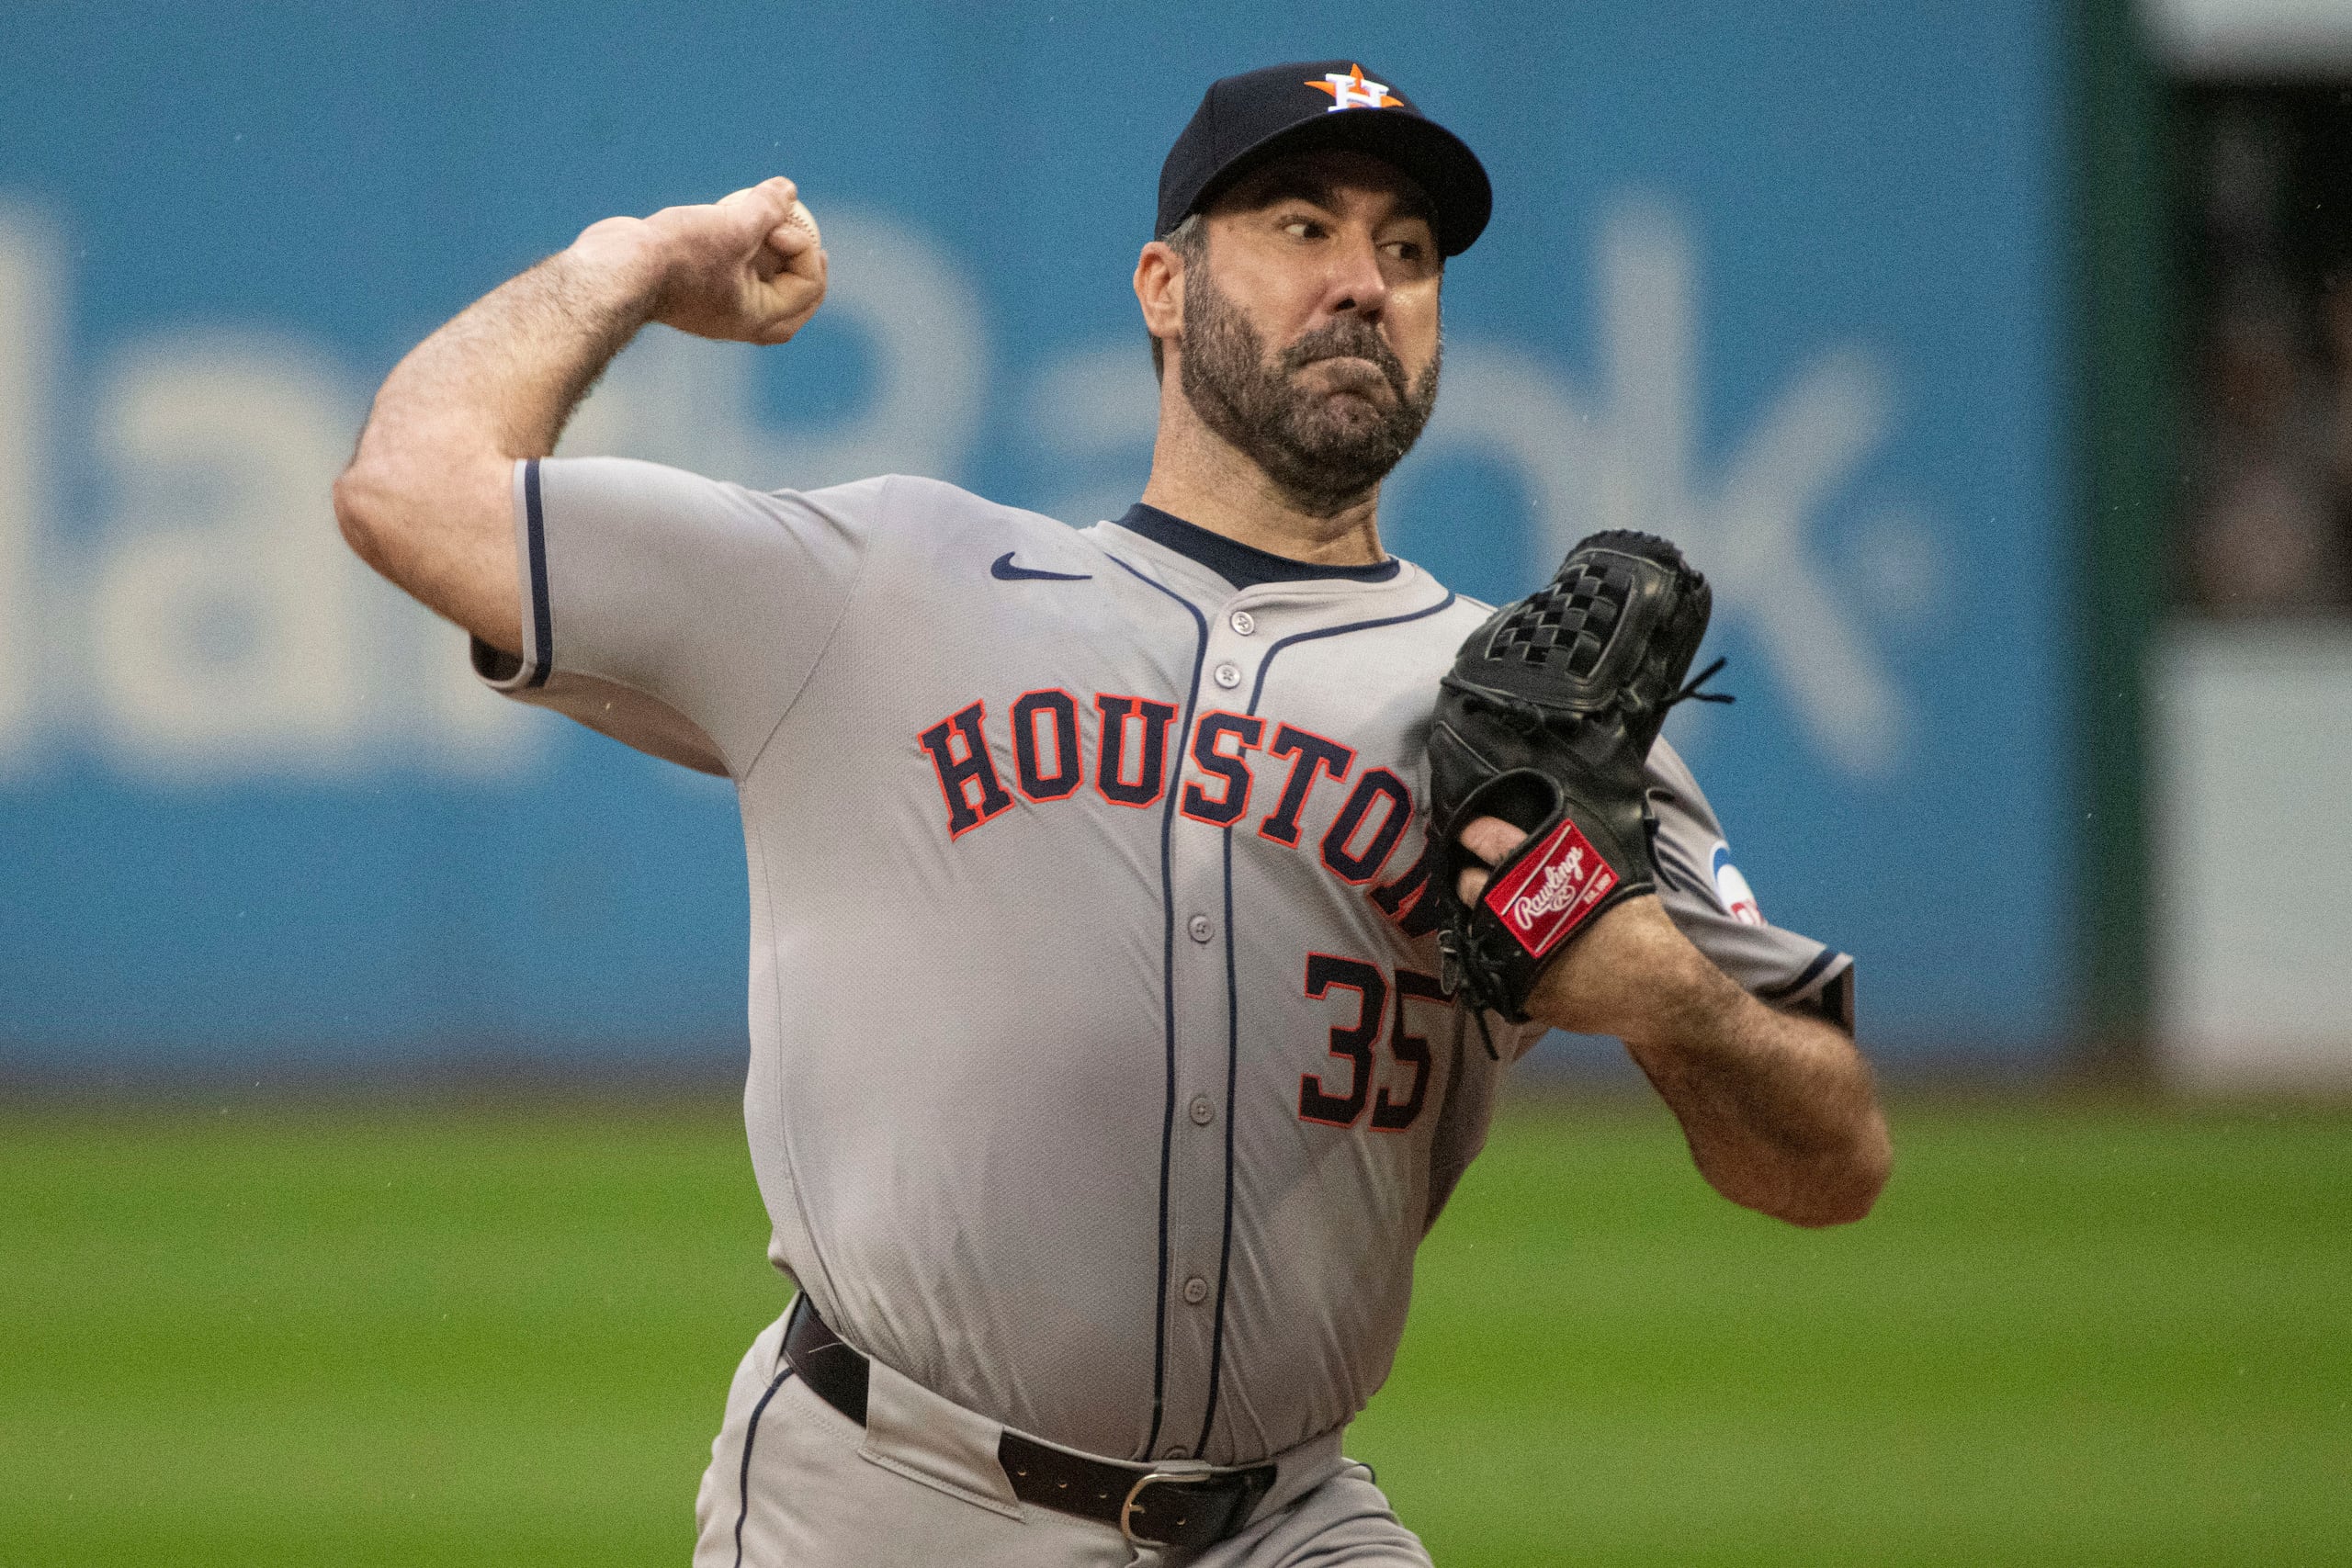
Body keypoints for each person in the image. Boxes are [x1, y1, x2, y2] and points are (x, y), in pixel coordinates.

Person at [334, 58, 1889, 1568]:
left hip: (1286, 1524)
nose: (1363, 279)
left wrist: (1667, 999)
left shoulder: (1522, 720)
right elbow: (410, 489)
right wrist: (633, 263)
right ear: (1163, 285)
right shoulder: (883, 585)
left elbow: (1833, 1163)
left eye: (1406, 251)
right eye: (1302, 227)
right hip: (889, 1502)